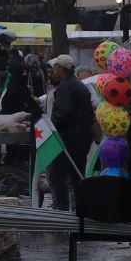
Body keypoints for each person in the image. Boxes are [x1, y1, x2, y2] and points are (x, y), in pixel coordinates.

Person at [46, 55, 93, 212]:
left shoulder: (66, 87)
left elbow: (63, 114)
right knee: (76, 178)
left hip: (68, 141)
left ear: (61, 69)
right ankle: (78, 214)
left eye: (55, 68)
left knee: (56, 177)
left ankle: (62, 215)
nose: (53, 71)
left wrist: (52, 126)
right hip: (82, 139)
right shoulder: (79, 85)